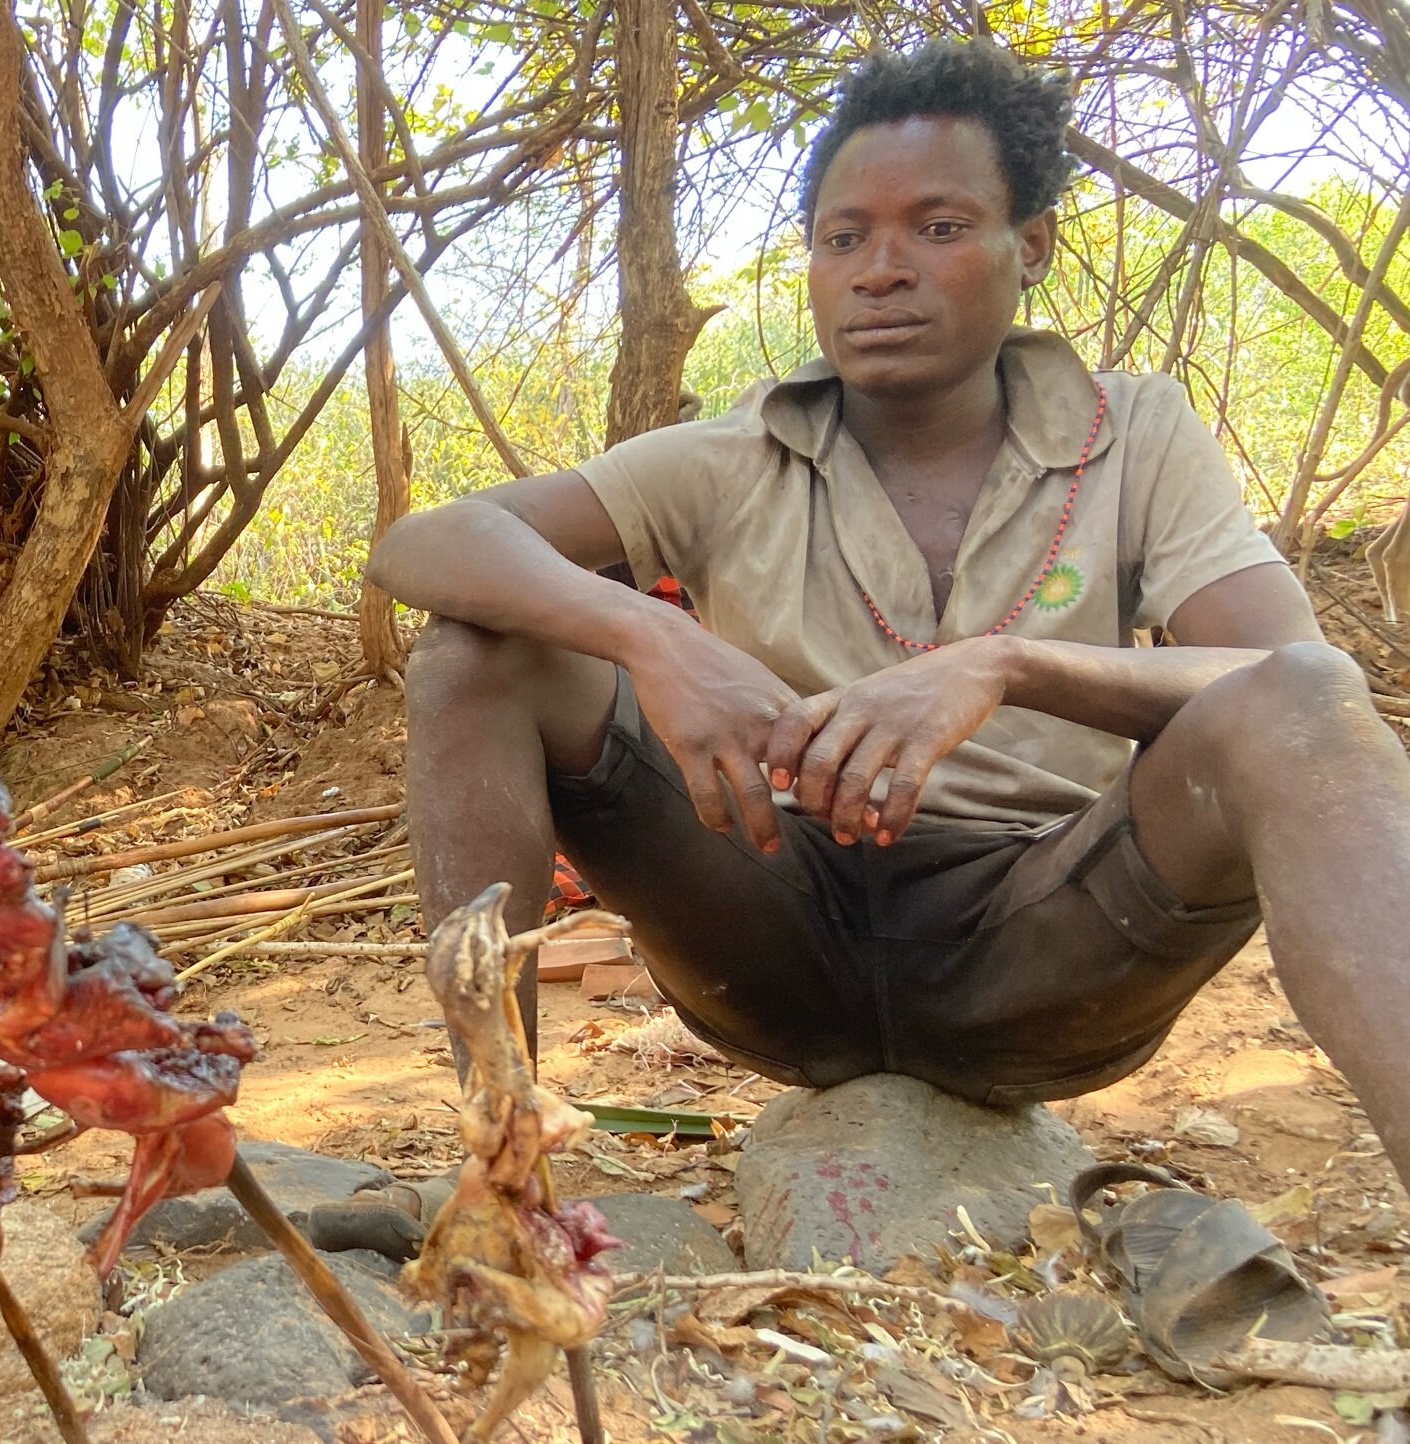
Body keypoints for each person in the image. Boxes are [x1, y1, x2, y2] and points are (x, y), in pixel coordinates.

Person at [375, 40, 1410, 1179]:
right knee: (475, 650)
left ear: (1031, 249)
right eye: (842, 236)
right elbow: (425, 542)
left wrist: (1003, 666)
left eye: (939, 227)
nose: (879, 268)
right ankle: (497, 1171)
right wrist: (650, 632)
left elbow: (1289, 679)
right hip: (770, 927)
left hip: (1049, 943)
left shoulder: (1138, 432)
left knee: (1305, 698)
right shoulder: (734, 454)